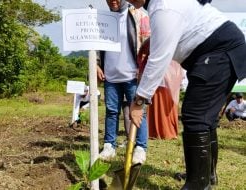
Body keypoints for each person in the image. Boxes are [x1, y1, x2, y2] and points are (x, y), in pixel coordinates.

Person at [125, 0, 246, 189]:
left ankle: (198, 183)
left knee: (195, 115)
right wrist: (151, 41)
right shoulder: (160, 6)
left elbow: (159, 60)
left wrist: (139, 100)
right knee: (206, 118)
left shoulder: (164, 7)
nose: (129, 1)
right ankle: (206, 175)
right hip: (223, 48)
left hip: (219, 50)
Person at [97, 0, 150, 164]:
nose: (113, 1)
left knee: (139, 112)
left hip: (132, 75)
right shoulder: (103, 19)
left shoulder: (139, 15)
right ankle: (109, 146)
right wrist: (97, 64)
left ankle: (140, 148)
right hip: (111, 75)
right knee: (111, 112)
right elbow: (97, 44)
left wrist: (142, 68)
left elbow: (148, 45)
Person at [137, 38, 183, 139]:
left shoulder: (159, 38)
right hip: (168, 72)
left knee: (163, 102)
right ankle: (159, 130)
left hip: (164, 72)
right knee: (160, 102)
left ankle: (160, 130)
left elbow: (143, 50)